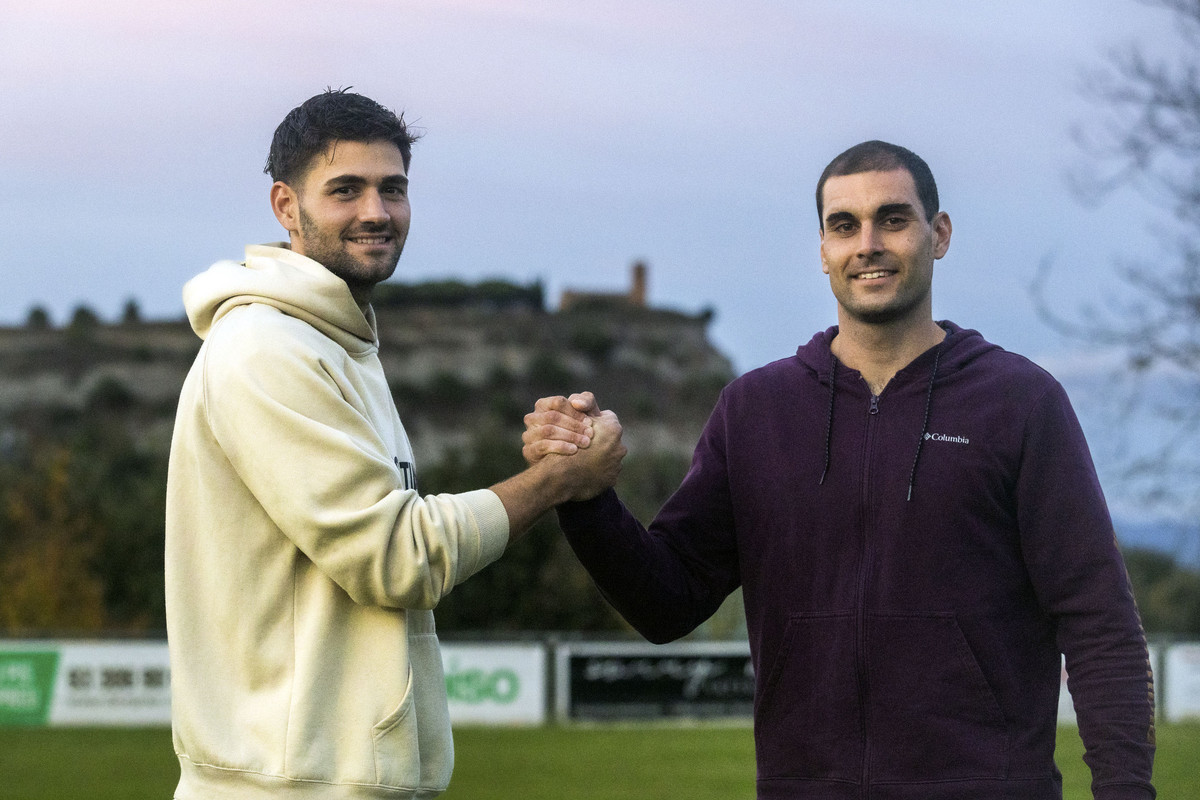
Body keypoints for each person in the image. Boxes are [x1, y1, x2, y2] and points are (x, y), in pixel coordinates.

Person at [524, 141, 1156, 799]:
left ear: (939, 234)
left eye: (893, 219)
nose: (868, 245)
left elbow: (1099, 622)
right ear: (823, 249)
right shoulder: (755, 411)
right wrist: (585, 496)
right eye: (844, 225)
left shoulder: (1019, 402)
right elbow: (665, 603)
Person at [164, 89, 623, 800]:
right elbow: (397, 557)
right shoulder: (265, 349)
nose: (376, 211)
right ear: (286, 206)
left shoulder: (338, 344)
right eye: (345, 190)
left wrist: (553, 454)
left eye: (393, 189)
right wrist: (555, 480)